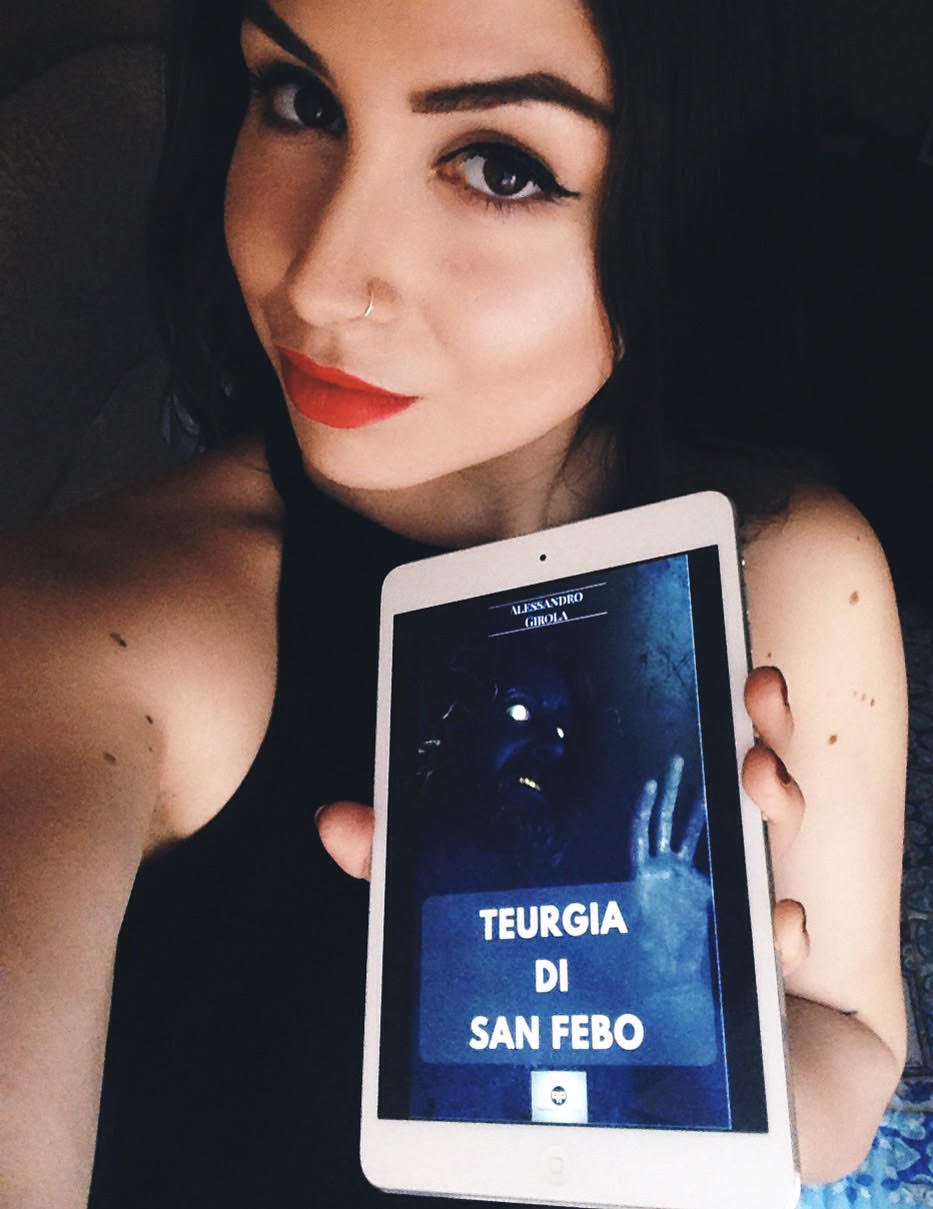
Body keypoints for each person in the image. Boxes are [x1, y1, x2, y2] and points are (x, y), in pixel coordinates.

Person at [0, 0, 907, 1205]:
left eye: (499, 166)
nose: (319, 281)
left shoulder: (785, 572)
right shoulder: (89, 628)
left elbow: (855, 1044)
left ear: (681, 204)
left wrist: (689, 1039)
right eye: (303, 102)